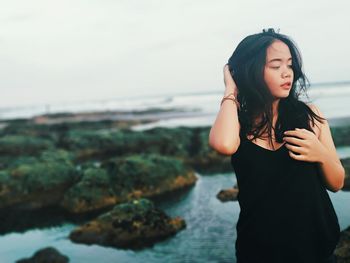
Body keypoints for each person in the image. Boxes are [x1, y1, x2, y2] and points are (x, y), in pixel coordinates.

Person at [209, 28, 345, 263]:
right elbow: (223, 144)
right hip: (259, 252)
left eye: (290, 65)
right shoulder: (236, 124)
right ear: (251, 71)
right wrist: (230, 88)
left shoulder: (310, 116)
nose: (287, 73)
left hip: (317, 252)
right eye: (275, 66)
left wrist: (321, 154)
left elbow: (337, 183)